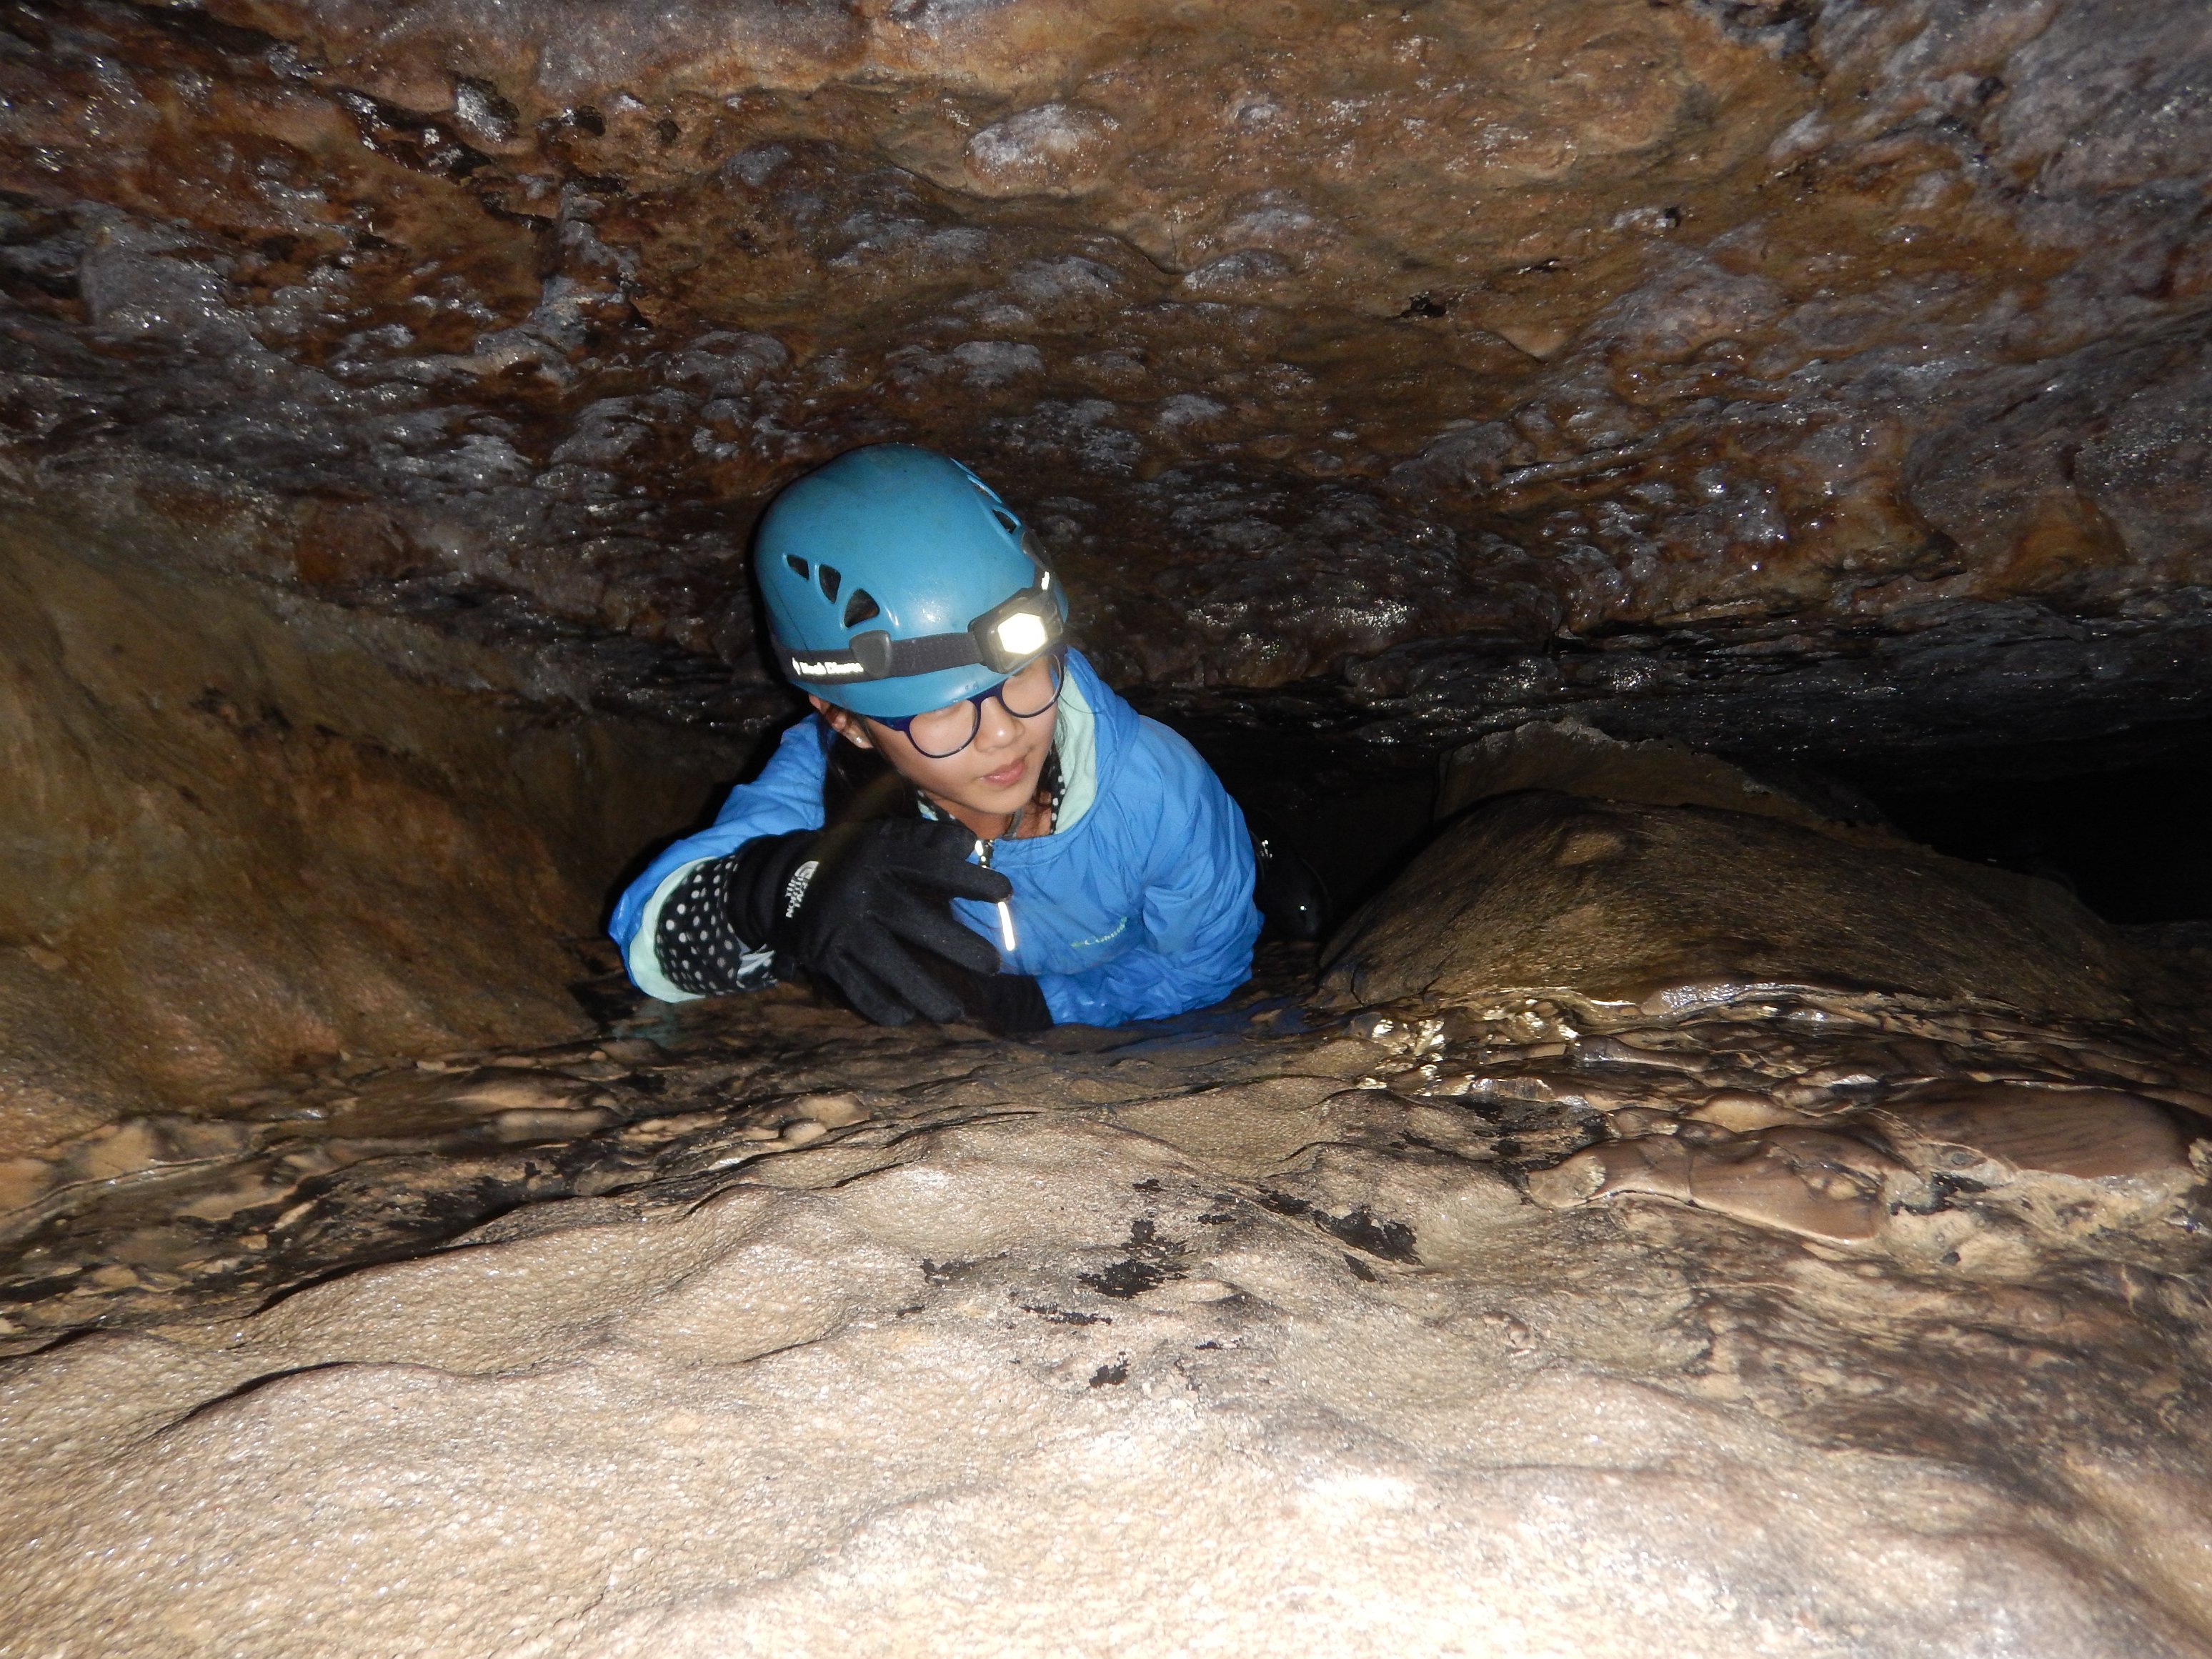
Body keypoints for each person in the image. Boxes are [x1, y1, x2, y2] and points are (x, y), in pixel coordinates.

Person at [609, 443, 1264, 1032]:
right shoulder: (824, 777)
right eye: (939, 713)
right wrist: (779, 888)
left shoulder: (1153, 789)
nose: (1004, 733)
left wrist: (1040, 1007)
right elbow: (651, 947)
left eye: (1024, 674)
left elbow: (1208, 971)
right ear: (846, 720)